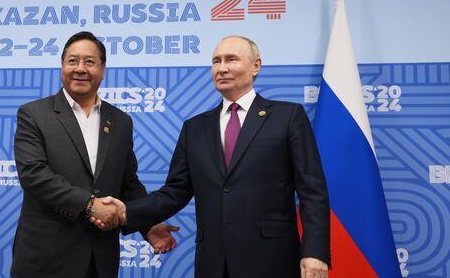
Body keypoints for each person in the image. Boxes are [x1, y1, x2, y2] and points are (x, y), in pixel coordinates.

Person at [94, 36, 330, 278]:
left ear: (256, 65)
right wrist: (127, 211)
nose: (222, 68)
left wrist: (315, 252)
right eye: (216, 61)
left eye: (231, 59)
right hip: (214, 263)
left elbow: (312, 192)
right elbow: (175, 192)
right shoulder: (195, 128)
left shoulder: (287, 116)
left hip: (273, 259)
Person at [11, 31, 176, 278]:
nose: (80, 68)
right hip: (45, 257)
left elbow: (128, 184)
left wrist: (147, 225)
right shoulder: (34, 114)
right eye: (72, 61)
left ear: (103, 69)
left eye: (89, 62)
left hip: (99, 258)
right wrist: (89, 205)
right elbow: (33, 174)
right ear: (62, 66)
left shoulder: (121, 121)